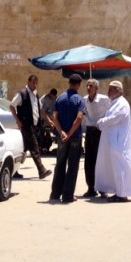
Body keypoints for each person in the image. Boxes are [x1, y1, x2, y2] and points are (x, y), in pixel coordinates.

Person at [49, 74, 87, 203]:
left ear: (69, 83)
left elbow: (54, 117)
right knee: (72, 165)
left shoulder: (60, 99)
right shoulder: (79, 100)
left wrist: (62, 132)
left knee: (60, 164)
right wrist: (70, 133)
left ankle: (55, 193)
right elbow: (79, 118)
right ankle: (67, 195)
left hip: (62, 137)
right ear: (78, 85)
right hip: (74, 137)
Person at [95, 81, 131, 202]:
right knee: (113, 167)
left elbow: (116, 118)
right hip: (112, 142)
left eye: (111, 89)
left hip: (119, 143)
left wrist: (101, 122)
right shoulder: (114, 103)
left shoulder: (122, 104)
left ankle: (122, 194)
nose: (108, 92)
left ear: (119, 90)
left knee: (120, 166)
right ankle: (117, 191)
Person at [10, 74, 53, 180]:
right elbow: (11, 106)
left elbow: (40, 109)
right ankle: (41, 171)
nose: (34, 85)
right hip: (26, 125)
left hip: (33, 126)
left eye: (36, 83)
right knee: (35, 148)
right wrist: (18, 120)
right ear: (28, 82)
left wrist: (48, 120)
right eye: (33, 82)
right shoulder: (22, 94)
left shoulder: (35, 95)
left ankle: (13, 171)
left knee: (22, 150)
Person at [82, 78, 110, 198]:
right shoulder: (84, 100)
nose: (88, 88)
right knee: (89, 160)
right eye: (87, 86)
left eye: (91, 86)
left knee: (101, 160)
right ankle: (91, 187)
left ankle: (103, 188)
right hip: (89, 131)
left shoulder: (104, 99)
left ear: (97, 88)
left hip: (100, 131)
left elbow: (110, 112)